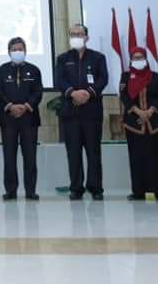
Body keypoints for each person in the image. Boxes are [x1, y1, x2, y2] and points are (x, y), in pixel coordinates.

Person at [54, 23, 108, 201]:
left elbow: (103, 79)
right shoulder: (63, 59)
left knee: (93, 152)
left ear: (87, 37)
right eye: (73, 34)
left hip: (92, 112)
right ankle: (76, 187)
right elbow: (59, 80)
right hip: (70, 113)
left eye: (80, 34)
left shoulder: (98, 58)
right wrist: (73, 93)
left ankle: (95, 187)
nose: (76, 37)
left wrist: (88, 94)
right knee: (73, 152)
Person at [0, 37, 43, 200]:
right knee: (9, 157)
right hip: (8, 119)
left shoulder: (34, 70)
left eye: (20, 49)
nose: (17, 52)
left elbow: (38, 91)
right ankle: (10, 190)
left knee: (30, 157)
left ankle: (30, 190)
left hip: (29, 119)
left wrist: (26, 106)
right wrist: (10, 106)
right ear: (9, 52)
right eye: (14, 49)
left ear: (25, 51)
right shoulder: (2, 70)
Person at [120, 47, 158, 201]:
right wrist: (138, 112)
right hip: (134, 122)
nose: (138, 60)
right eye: (135, 57)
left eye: (141, 57)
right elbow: (124, 96)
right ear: (131, 60)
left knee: (156, 157)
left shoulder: (154, 76)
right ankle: (138, 192)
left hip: (153, 122)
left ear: (146, 59)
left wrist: (150, 111)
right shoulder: (126, 77)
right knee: (136, 157)